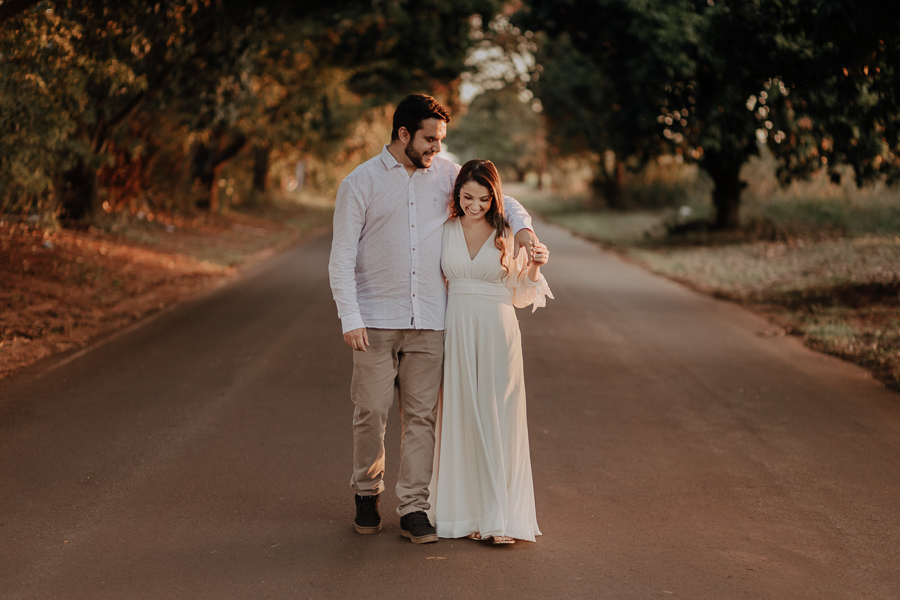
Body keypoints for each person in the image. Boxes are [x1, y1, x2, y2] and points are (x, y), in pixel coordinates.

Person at [328, 95, 539, 544]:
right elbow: (341, 256)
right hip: (375, 318)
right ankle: (367, 492)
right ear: (404, 134)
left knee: (421, 417)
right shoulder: (359, 183)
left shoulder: (446, 175)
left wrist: (523, 231)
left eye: (441, 139)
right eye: (430, 139)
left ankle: (414, 507)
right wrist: (350, 316)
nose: (437, 148)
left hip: (430, 320)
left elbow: (502, 198)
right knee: (371, 411)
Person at [430, 159, 552, 545]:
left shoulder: (506, 232)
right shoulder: (444, 228)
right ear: (457, 194)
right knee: (463, 416)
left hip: (498, 331)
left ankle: (498, 517)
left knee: (498, 417)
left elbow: (521, 293)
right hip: (457, 330)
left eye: (484, 199)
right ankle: (467, 513)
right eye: (467, 197)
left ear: (494, 197)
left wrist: (534, 267)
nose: (475, 205)